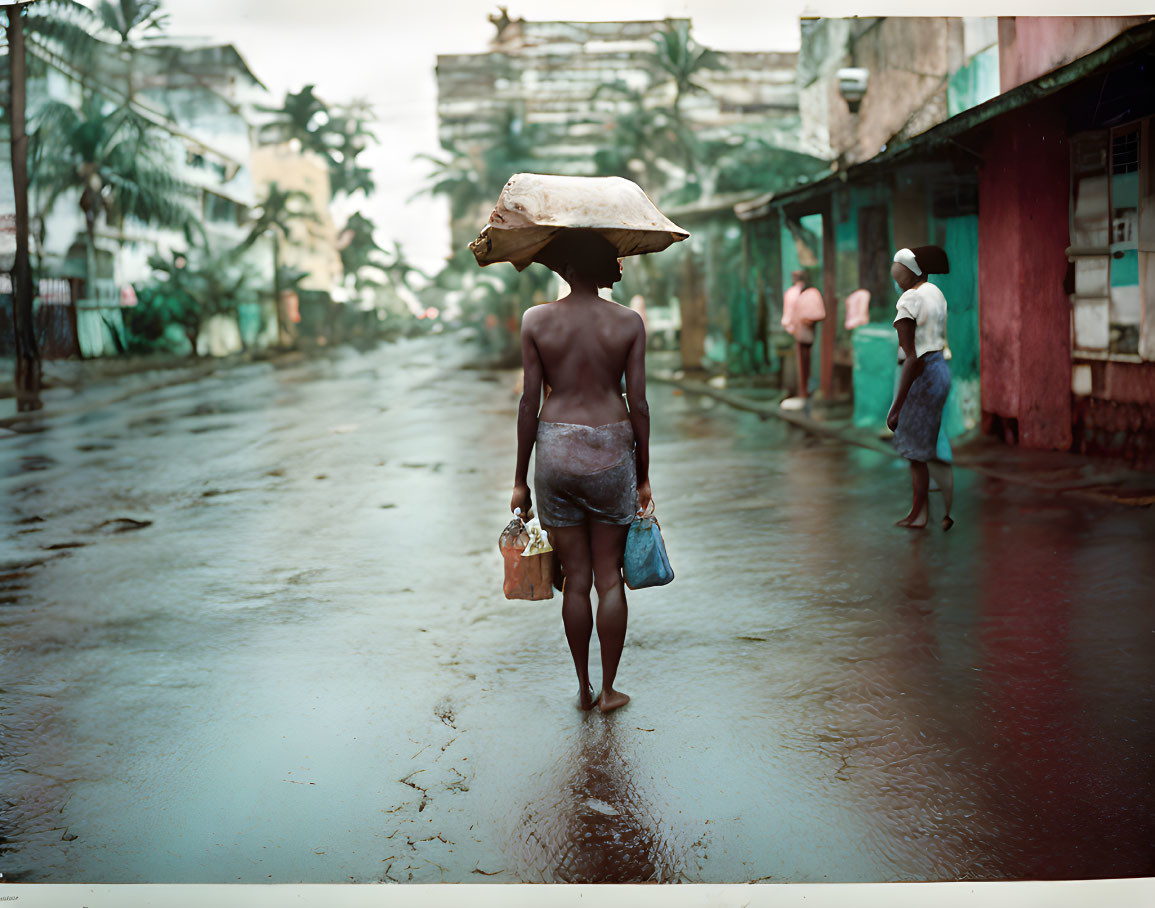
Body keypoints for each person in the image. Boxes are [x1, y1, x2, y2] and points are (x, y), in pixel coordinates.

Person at [510, 229, 652, 714]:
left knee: (576, 578)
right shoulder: (628, 322)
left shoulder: (536, 320)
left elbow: (529, 403)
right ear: (603, 268)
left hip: (555, 450)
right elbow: (641, 405)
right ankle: (611, 689)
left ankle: (583, 686)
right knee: (609, 577)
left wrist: (519, 479)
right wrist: (644, 474)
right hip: (613, 446)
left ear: (568, 270)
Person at [887, 246, 955, 531]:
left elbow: (912, 358)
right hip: (940, 369)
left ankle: (919, 514)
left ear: (909, 272)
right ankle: (924, 511)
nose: (894, 275)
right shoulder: (935, 293)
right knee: (925, 447)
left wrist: (897, 406)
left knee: (916, 453)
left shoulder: (910, 299)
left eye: (897, 270)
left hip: (923, 374)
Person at [780, 269, 825, 411]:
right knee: (808, 362)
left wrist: (791, 328)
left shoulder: (794, 293)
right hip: (810, 333)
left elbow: (788, 318)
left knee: (802, 364)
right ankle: (807, 391)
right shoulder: (812, 293)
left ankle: (803, 392)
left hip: (799, 333)